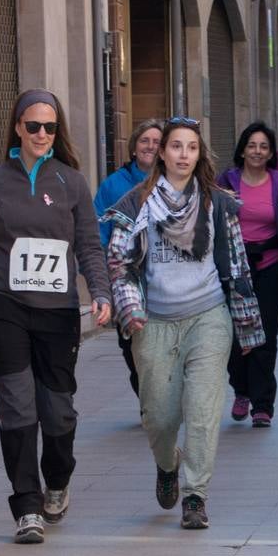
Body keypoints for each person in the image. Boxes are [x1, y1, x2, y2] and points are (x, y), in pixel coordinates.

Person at [0, 89, 112, 544]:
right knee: (17, 404)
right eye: (33, 126)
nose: (42, 134)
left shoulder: (72, 183)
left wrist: (99, 291)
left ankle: (57, 481)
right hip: (4, 302)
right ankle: (26, 506)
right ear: (17, 128)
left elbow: (88, 245)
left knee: (57, 412)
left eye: (50, 127)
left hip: (58, 310)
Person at [104, 117, 264, 530]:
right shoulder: (136, 204)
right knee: (158, 416)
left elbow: (237, 263)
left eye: (191, 148)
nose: (183, 155)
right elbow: (120, 264)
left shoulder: (217, 202)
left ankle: (195, 496)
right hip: (154, 321)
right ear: (161, 152)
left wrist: (246, 321)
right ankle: (167, 463)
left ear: (199, 154)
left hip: (208, 316)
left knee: (203, 410)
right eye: (176, 147)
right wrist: (130, 307)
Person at [218, 122, 278, 427]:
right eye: (252, 145)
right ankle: (241, 390)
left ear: (271, 152)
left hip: (270, 265)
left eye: (264, 146)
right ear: (242, 149)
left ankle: (262, 404)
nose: (257, 151)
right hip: (234, 267)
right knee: (234, 334)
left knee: (265, 335)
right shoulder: (226, 181)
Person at [93, 118, 163, 398]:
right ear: (134, 146)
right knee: (132, 348)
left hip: (164, 280)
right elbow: (98, 231)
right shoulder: (113, 185)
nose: (150, 146)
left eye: (157, 142)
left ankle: (164, 399)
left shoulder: (175, 181)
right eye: (144, 140)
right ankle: (147, 399)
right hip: (126, 280)